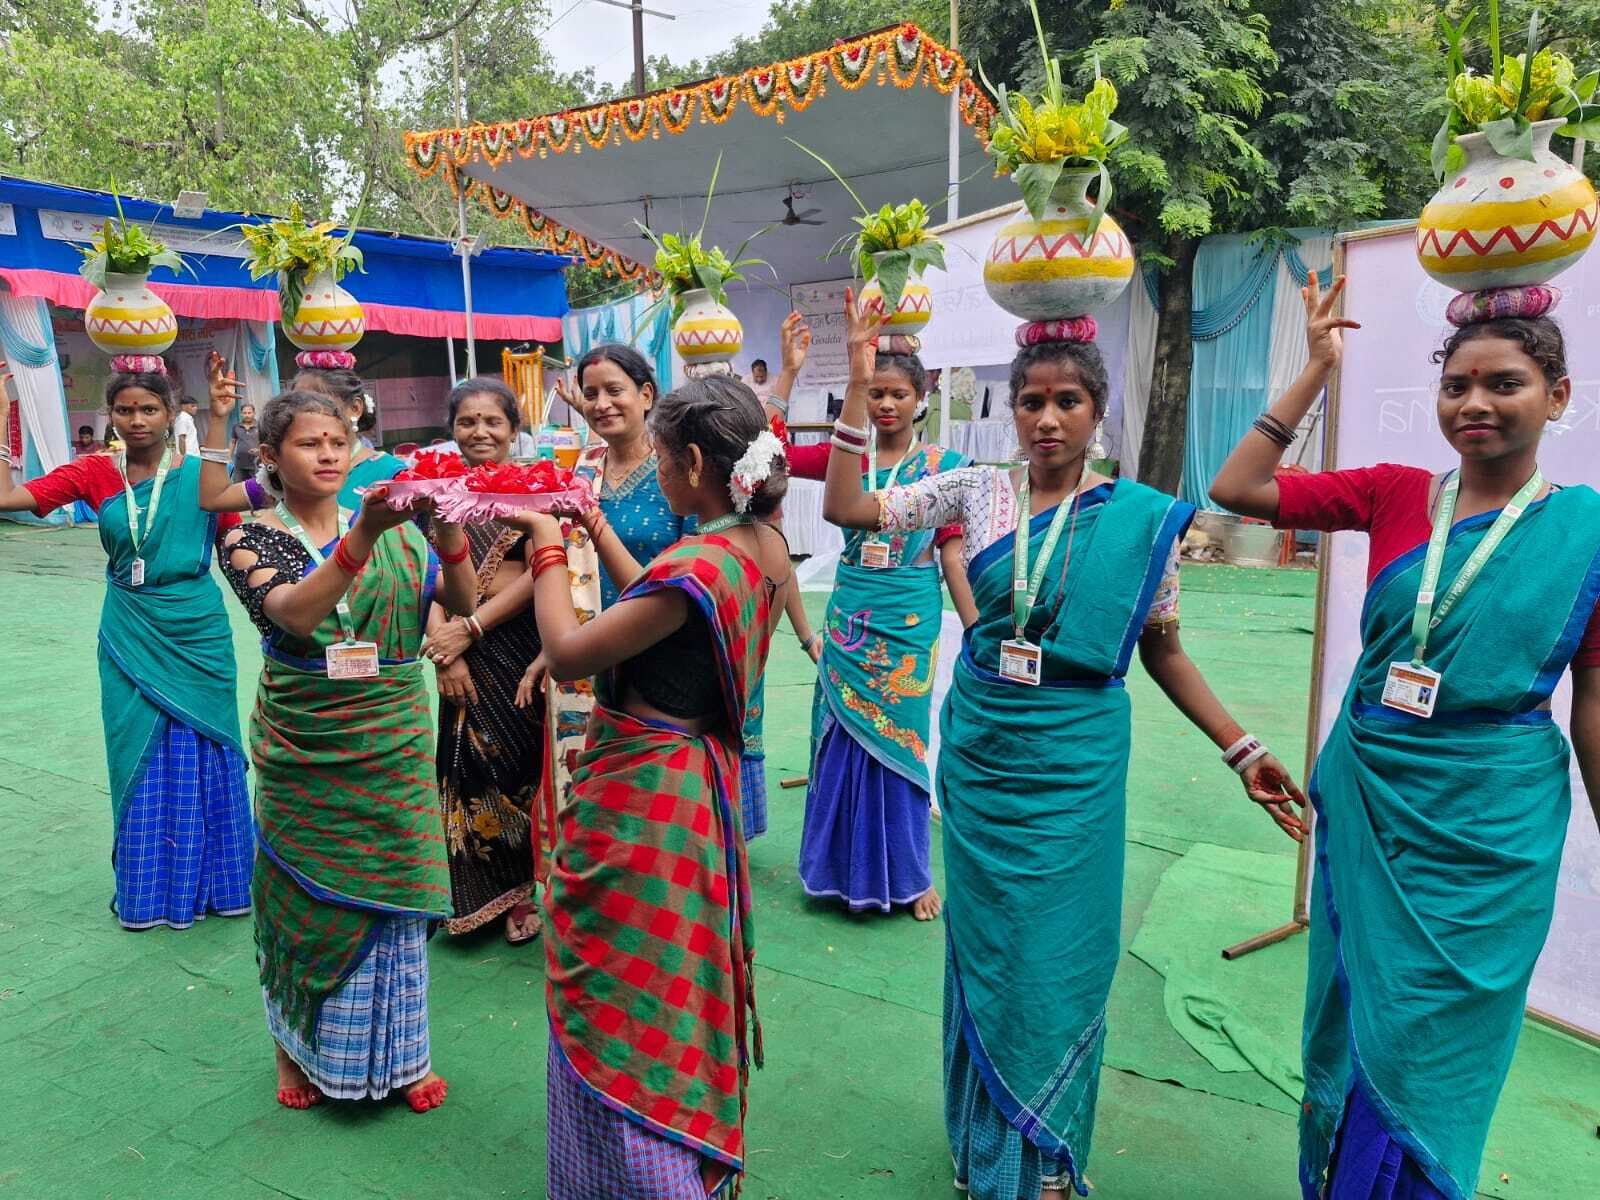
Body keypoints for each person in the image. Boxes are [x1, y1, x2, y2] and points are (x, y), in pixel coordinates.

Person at [821, 294, 1307, 1199]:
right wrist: (856, 383)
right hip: (985, 746)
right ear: (1011, 410)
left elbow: (1162, 647)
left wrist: (1242, 749)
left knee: (1062, 953)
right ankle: (986, 1147)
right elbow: (849, 505)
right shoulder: (975, 488)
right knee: (989, 945)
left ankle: (1044, 1157)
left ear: (1097, 410)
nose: (1047, 418)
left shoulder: (1141, 517)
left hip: (1077, 757)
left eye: (1067, 403)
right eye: (1031, 401)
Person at [1208, 277, 1600, 1200]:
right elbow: (1236, 488)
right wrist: (1315, 368)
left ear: (1558, 396)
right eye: (1456, 384)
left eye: (1504, 383)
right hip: (1372, 796)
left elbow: (1593, 708)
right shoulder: (1394, 495)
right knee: (1355, 1021)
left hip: (1490, 828)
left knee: (1440, 1044)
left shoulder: (1585, 533)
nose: (1474, 403)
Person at [511, 372, 792, 1199]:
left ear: (694, 460)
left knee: (621, 981)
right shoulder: (760, 547)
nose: (654, 472)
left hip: (646, 797)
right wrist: (596, 526)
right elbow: (657, 603)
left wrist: (547, 544)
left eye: (663, 459)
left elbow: (569, 651)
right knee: (674, 975)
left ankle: (641, 1175)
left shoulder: (698, 562)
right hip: (699, 784)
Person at [200, 385, 478, 1112]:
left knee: (399, 895)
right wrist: (364, 536)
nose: (329, 454)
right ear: (270, 457)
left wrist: (447, 531)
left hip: (392, 738)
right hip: (307, 743)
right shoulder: (247, 531)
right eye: (308, 443)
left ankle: (406, 1056)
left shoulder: (394, 522)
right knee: (301, 895)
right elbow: (293, 614)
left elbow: (466, 601)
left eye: (338, 441)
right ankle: (291, 1047)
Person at [0, 362, 252, 931]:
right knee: (134, 746)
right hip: (129, 627)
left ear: (170, 414)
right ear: (110, 416)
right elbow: (9, 497)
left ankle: (220, 884)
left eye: (149, 409)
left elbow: (235, 540)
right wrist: (2, 416)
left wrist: (220, 418)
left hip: (197, 629)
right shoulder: (94, 472)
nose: (136, 420)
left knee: (207, 746)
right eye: (124, 410)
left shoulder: (200, 478)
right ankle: (149, 889)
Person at [768, 311, 971, 920]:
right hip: (850, 612)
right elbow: (766, 452)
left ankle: (911, 876)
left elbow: (953, 550)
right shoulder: (843, 454)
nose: (886, 403)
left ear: (922, 397)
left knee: (905, 744)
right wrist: (789, 372)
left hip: (910, 614)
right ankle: (832, 871)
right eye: (875, 391)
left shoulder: (945, 464)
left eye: (898, 393)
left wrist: (980, 628)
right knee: (838, 738)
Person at [419, 377, 545, 946]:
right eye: (467, 421)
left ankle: (518, 892)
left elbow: (541, 572)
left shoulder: (533, 490)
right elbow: (420, 578)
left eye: (493, 421)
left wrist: (471, 627)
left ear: (514, 430)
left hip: (515, 648)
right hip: (454, 649)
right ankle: (464, 893)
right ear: (452, 429)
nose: (480, 432)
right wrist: (447, 652)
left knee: (517, 766)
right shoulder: (434, 494)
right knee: (462, 768)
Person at [229, 403, 260, 482]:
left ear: (254, 413)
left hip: (256, 463)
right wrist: (229, 456)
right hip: (240, 463)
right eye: (244, 413)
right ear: (241, 414)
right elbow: (233, 442)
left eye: (249, 413)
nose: (247, 415)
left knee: (257, 486)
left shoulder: (260, 426)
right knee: (238, 486)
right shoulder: (236, 427)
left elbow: (266, 441)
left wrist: (258, 450)